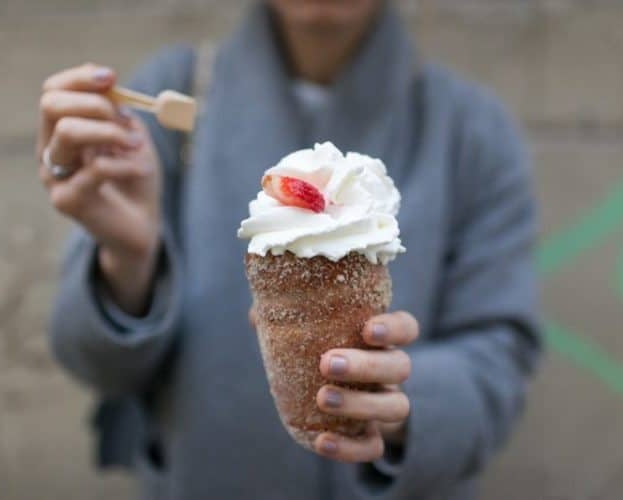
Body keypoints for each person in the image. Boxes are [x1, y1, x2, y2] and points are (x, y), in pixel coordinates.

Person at [37, 1, 540, 499]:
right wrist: (127, 259)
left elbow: (500, 360)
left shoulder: (470, 130)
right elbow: (93, 365)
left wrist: (404, 399)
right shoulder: (173, 101)